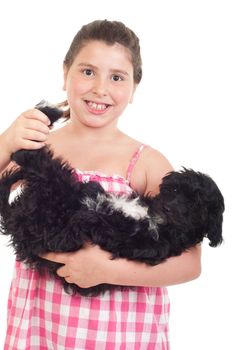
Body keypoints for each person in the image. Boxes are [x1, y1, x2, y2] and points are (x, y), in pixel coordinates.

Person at [0, 20, 201, 349]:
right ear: (65, 73)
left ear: (135, 87)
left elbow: (190, 263)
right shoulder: (36, 146)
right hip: (41, 328)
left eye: (117, 77)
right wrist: (6, 141)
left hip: (119, 334)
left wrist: (107, 270)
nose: (100, 89)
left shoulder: (147, 163)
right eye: (87, 71)